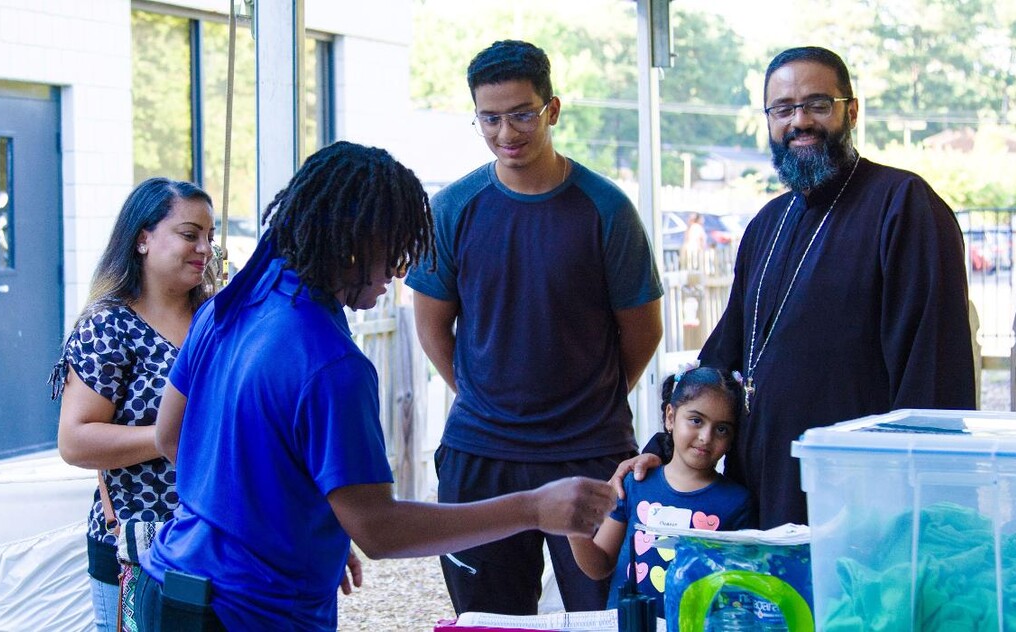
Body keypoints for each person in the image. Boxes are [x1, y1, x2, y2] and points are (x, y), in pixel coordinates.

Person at [133, 141, 618, 631]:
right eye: (396, 249)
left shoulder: (230, 304)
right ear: (355, 244)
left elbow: (171, 436)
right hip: (246, 614)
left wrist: (299, 523)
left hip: (167, 587)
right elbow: (380, 530)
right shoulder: (330, 364)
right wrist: (533, 507)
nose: (401, 270)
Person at [615, 46, 976, 529]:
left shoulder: (903, 207)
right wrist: (662, 449)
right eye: (783, 109)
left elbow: (931, 374)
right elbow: (725, 353)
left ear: (851, 111)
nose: (799, 121)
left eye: (817, 105)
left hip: (859, 502)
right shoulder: (768, 222)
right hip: (760, 490)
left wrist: (917, 509)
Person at [404, 39, 664, 615]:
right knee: (490, 621)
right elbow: (431, 328)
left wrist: (589, 402)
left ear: (552, 109)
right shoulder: (453, 209)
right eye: (489, 119)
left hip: (591, 452)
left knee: (605, 618)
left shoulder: (606, 208)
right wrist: (481, 395)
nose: (506, 133)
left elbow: (643, 332)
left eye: (522, 114)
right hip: (481, 456)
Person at [50, 177, 217, 630]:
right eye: (189, 234)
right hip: (136, 550)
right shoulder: (108, 325)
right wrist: (171, 437)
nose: (204, 247)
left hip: (215, 542)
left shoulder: (216, 319)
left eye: (209, 236)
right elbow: (75, 440)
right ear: (143, 238)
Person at [569, 366, 754, 618]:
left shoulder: (737, 502)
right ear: (670, 417)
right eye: (696, 420)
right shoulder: (635, 484)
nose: (705, 437)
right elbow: (599, 565)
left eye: (722, 429)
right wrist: (573, 528)